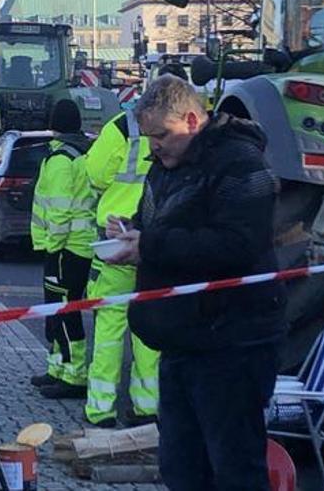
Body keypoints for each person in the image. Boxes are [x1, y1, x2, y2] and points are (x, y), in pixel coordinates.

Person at [106, 75, 286, 490]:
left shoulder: (240, 164)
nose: (154, 146)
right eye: (148, 136)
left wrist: (149, 245)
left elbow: (239, 245)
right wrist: (132, 230)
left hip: (232, 341)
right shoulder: (169, 164)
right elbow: (167, 222)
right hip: (183, 339)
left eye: (161, 135)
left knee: (234, 466)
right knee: (181, 465)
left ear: (191, 120)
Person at [80, 104, 160, 428]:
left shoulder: (123, 126)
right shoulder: (178, 130)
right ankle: (146, 409)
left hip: (115, 239)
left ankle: (100, 410)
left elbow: (95, 173)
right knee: (148, 333)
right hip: (154, 241)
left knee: (109, 329)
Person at [30, 99, 96, 400]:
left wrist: (51, 249)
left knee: (64, 311)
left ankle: (74, 375)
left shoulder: (60, 160)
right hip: (80, 246)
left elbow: (60, 212)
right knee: (59, 310)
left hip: (65, 248)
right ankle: (58, 367)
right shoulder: (84, 152)